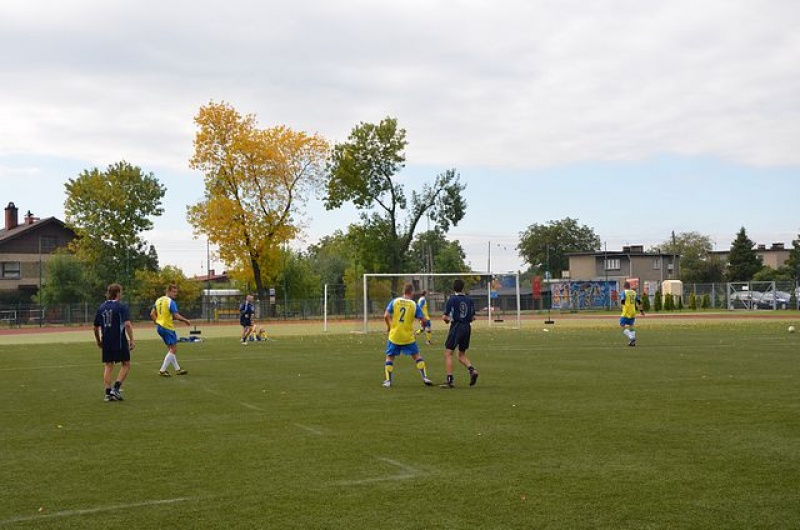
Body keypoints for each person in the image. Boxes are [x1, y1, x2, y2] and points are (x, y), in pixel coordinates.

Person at [383, 283, 434, 388]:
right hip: (408, 336)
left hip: (395, 335)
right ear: (412, 292)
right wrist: (423, 324)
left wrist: (389, 326)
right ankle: (425, 377)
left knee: (389, 357)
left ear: (403, 291)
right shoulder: (413, 304)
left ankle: (388, 381)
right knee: (416, 356)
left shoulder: (395, 301)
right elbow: (423, 320)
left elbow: (386, 315)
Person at [93, 283, 135, 401]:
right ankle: (116, 389)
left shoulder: (101, 307)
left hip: (106, 340)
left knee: (108, 365)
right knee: (126, 364)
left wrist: (98, 341)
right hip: (119, 340)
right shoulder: (121, 307)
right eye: (120, 292)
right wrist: (131, 339)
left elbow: (95, 327)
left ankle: (107, 393)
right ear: (117, 293)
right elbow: (127, 324)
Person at [441, 278, 479, 388]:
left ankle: (450, 380)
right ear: (463, 288)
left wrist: (447, 320)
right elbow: (473, 317)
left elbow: (445, 316)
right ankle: (472, 370)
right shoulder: (469, 300)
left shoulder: (452, 299)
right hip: (467, 327)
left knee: (448, 353)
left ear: (454, 288)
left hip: (456, 327)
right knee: (461, 354)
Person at [150, 284, 191, 376]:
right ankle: (162, 370)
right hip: (167, 327)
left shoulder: (158, 300)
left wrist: (157, 322)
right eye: (174, 292)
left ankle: (178, 369)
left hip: (160, 327)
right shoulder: (170, 302)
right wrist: (185, 320)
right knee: (173, 349)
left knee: (170, 349)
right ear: (168, 291)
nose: (175, 294)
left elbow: (152, 314)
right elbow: (176, 316)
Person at [619, 281, 643, 346]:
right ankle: (633, 343)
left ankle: (632, 338)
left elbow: (623, 301)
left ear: (624, 287)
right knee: (631, 326)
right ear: (629, 286)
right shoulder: (634, 292)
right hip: (633, 312)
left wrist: (622, 307)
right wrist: (641, 311)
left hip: (626, 312)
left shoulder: (624, 292)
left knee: (622, 325)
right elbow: (639, 302)